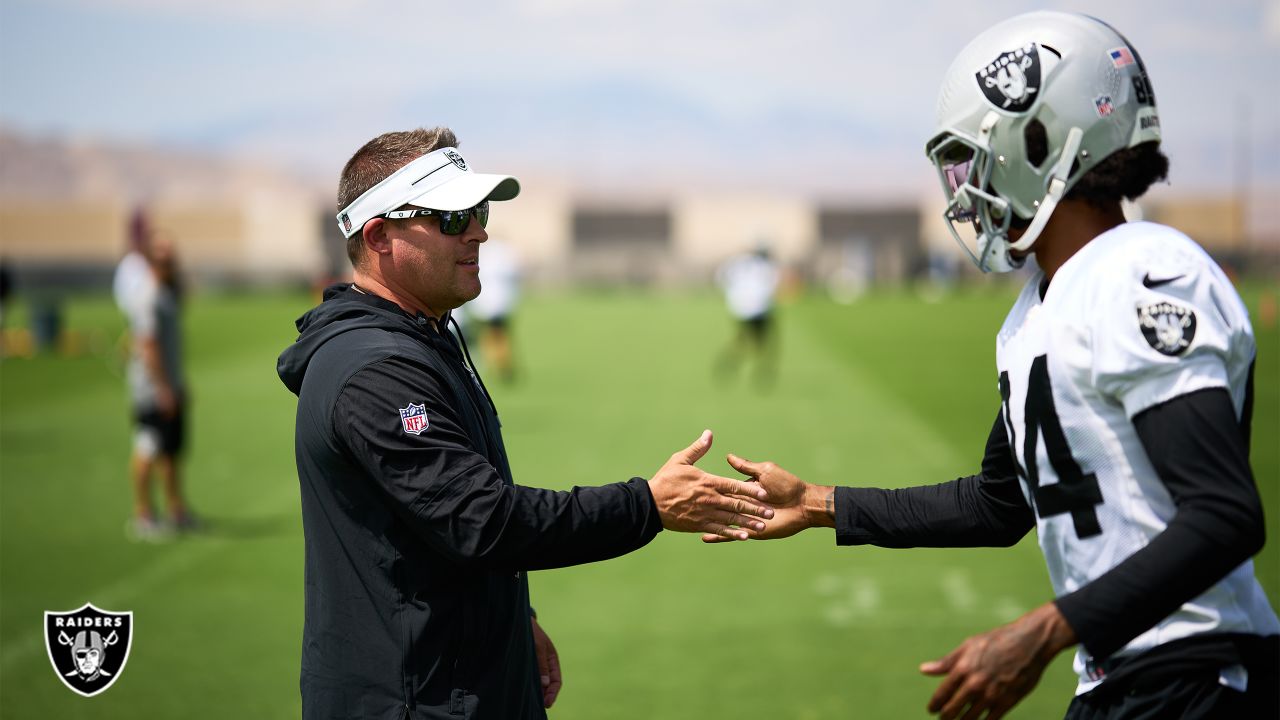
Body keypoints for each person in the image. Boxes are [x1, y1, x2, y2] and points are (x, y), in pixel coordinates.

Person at [715, 12, 1279, 720]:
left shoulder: (1141, 275)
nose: (964, 190)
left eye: (974, 160)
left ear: (1039, 143)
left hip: (1202, 678)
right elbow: (998, 503)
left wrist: (1043, 631)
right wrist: (818, 504)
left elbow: (1224, 515)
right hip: (1118, 680)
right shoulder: (1039, 309)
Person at [275, 127, 773, 720]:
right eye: (452, 217)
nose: (480, 230)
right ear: (379, 235)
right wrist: (647, 505)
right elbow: (481, 520)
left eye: (479, 211)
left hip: (455, 684)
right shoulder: (375, 370)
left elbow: (437, 526)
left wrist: (515, 619)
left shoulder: (421, 338)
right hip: (414, 702)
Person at [122, 231, 194, 540]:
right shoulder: (149, 295)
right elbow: (148, 345)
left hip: (169, 386)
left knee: (170, 451)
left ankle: (176, 510)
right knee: (147, 448)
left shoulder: (165, 292)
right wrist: (164, 388)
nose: (171, 263)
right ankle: (143, 514)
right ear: (152, 260)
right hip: (152, 392)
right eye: (164, 257)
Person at [714, 243, 780, 386]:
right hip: (759, 308)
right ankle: (763, 373)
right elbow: (771, 286)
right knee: (763, 342)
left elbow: (721, 277)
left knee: (746, 338)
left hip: (739, 307)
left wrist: (731, 294)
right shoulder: (765, 266)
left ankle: (730, 362)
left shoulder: (737, 261)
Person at [464, 237, 521, 382]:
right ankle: (502, 364)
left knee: (488, 335)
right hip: (500, 304)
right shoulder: (504, 255)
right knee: (499, 335)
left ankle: (495, 364)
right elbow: (513, 275)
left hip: (484, 304)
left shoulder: (485, 254)